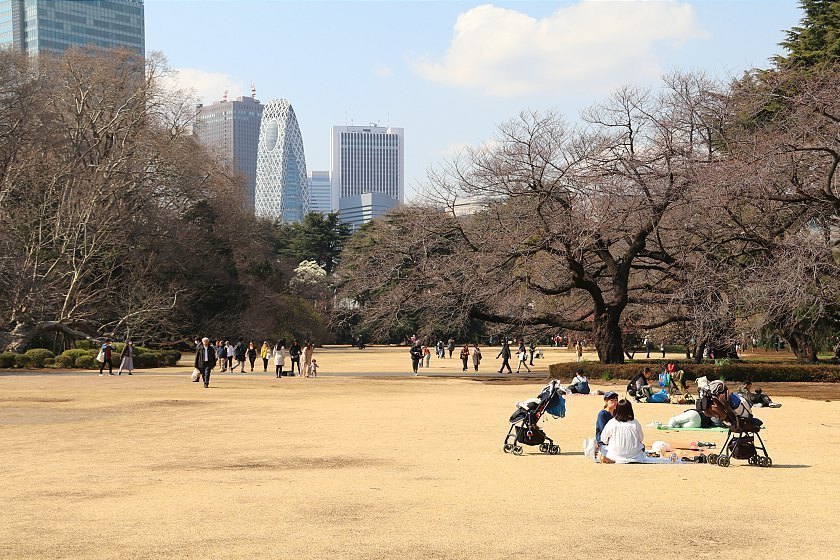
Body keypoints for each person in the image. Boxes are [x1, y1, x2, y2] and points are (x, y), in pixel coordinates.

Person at [599, 399, 648, 464]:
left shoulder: (612, 422)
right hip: (635, 456)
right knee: (642, 446)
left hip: (615, 454)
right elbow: (641, 439)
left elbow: (603, 439)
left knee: (603, 448)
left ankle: (611, 459)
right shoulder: (635, 423)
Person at [595, 391, 619, 460]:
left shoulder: (616, 413)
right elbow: (604, 430)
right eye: (611, 400)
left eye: (616, 400)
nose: (614, 402)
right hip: (603, 440)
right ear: (606, 401)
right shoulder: (602, 414)